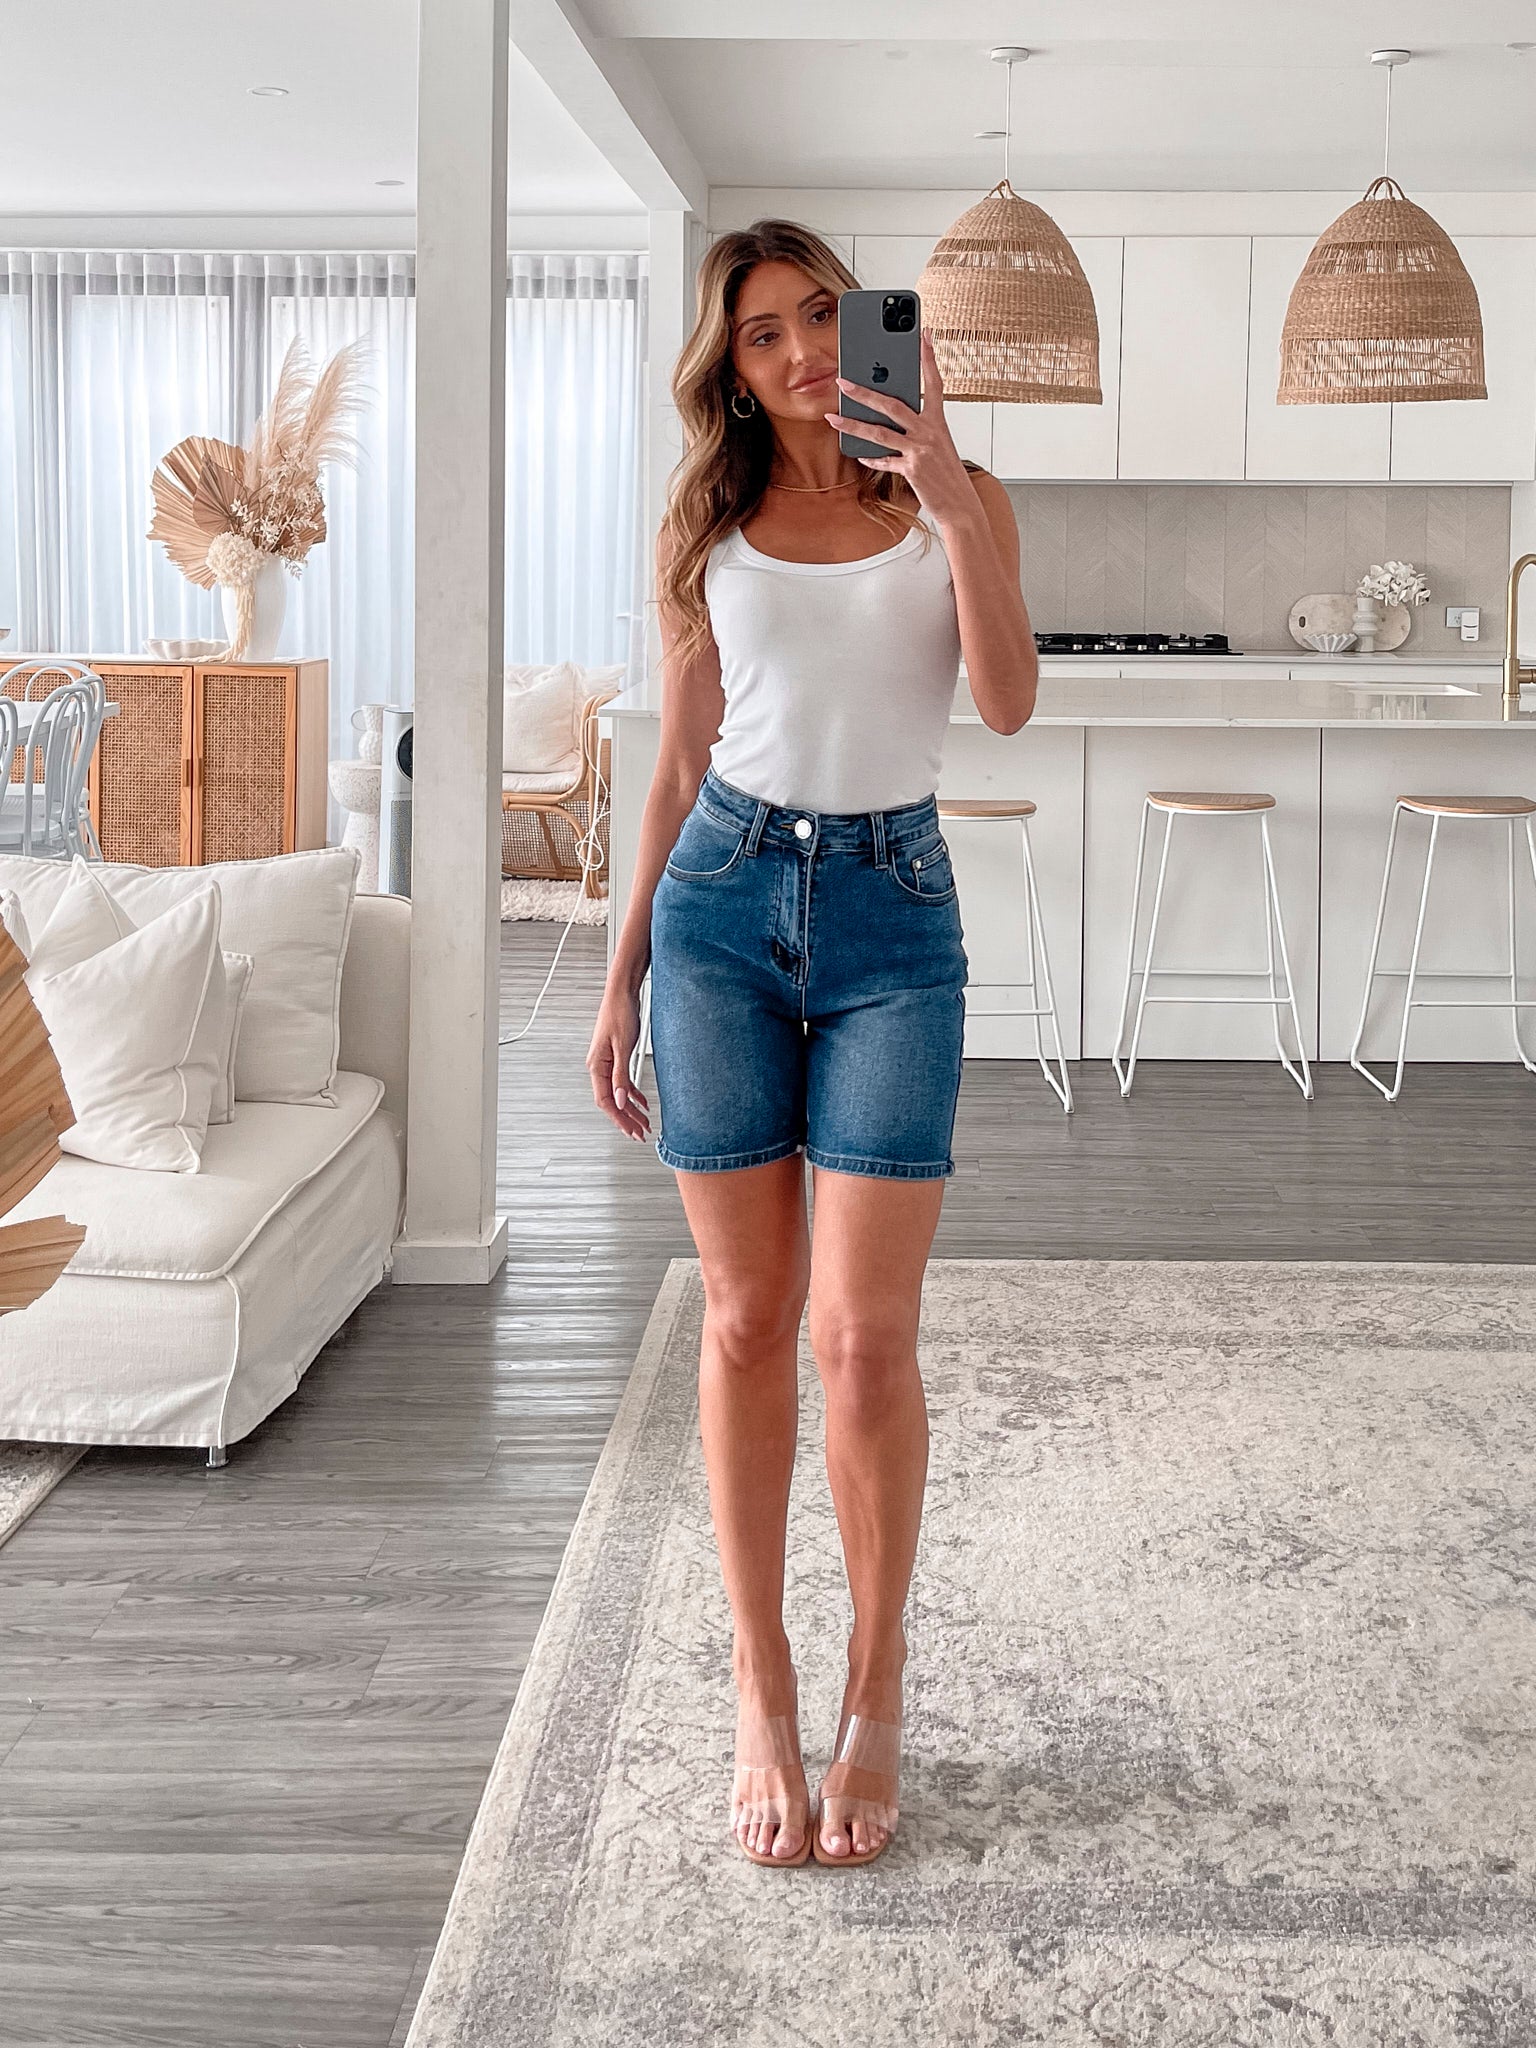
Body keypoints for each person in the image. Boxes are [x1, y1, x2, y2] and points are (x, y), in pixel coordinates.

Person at [587, 219, 1038, 1868]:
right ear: (733, 361)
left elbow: (1004, 703)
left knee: (861, 1336)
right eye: (764, 334)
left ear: (869, 328)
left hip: (894, 919)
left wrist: (953, 497)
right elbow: (676, 757)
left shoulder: (954, 500)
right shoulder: (707, 522)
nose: (798, 356)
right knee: (745, 1313)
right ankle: (763, 1684)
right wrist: (621, 968)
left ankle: (878, 1672)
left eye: (822, 319)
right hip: (717, 908)